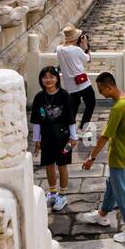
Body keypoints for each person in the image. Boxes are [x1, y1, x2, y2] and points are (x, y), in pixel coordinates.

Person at [78, 72, 125, 242]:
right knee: (112, 185)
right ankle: (102, 214)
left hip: (119, 155)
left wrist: (91, 157)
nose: (100, 93)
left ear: (110, 87)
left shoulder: (118, 108)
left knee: (122, 192)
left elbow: (105, 136)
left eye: (101, 90)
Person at [30, 65, 77, 211]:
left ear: (57, 78)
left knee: (62, 165)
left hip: (63, 138)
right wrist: (36, 139)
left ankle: (62, 195)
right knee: (49, 164)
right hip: (47, 137)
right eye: (45, 77)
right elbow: (37, 120)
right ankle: (52, 193)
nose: (48, 80)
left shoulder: (64, 95)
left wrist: (73, 136)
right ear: (41, 79)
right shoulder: (39, 97)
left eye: (51, 77)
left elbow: (70, 117)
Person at [56, 25, 95, 128]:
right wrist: (85, 45)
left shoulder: (59, 49)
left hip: (70, 85)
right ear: (75, 37)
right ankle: (83, 127)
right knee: (91, 103)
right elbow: (88, 59)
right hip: (83, 83)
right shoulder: (76, 50)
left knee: (74, 106)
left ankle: (70, 130)